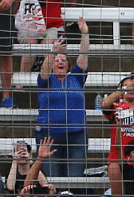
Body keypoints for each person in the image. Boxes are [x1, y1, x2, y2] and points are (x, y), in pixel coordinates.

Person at [36, 17, 89, 178]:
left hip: (77, 134)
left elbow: (83, 55)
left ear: (68, 65)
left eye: (63, 60)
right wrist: (53, 51)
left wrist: (85, 34)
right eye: (57, 60)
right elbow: (44, 70)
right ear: (52, 64)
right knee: (53, 177)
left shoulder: (76, 78)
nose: (60, 61)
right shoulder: (46, 80)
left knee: (75, 176)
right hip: (50, 135)